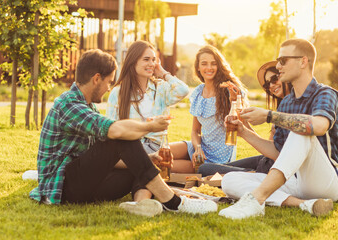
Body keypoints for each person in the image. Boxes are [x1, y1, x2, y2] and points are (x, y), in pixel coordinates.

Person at [29, 49, 217, 217]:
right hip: (62, 187)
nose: (109, 87)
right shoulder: (69, 105)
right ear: (96, 79)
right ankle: (173, 202)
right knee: (122, 136)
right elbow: (115, 132)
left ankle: (141, 203)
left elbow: (102, 153)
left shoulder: (89, 106)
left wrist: (147, 157)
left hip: (84, 186)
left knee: (135, 163)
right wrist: (150, 127)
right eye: (108, 82)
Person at [218, 38, 338, 219]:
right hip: (296, 181)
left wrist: (269, 116)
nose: (279, 66)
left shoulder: (325, 93)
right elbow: (277, 153)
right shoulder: (287, 103)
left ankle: (257, 199)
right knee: (229, 181)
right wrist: (244, 132)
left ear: (303, 61)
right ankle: (304, 204)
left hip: (326, 182)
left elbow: (319, 126)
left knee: (303, 130)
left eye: (283, 61)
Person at [198, 61, 293, 176]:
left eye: (274, 79)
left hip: (272, 168)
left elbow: (280, 155)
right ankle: (249, 173)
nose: (271, 86)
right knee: (206, 169)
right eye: (267, 84)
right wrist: (243, 126)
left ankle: (252, 175)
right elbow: (268, 148)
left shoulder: (295, 107)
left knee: (205, 169)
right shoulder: (282, 106)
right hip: (266, 160)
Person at [169, 45, 248, 173]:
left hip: (218, 158)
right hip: (200, 147)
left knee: (165, 165)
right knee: (162, 154)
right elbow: (195, 131)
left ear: (219, 66)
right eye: (204, 64)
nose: (209, 68)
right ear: (198, 68)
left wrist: (234, 100)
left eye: (213, 64)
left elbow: (242, 124)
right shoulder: (198, 92)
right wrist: (198, 147)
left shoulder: (229, 90)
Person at [106, 40, 189, 154]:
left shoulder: (161, 88)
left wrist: (164, 73)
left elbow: (183, 90)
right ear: (133, 61)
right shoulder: (118, 92)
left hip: (157, 147)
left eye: (153, 60)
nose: (151, 64)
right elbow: (111, 129)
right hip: (130, 147)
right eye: (146, 59)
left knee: (191, 154)